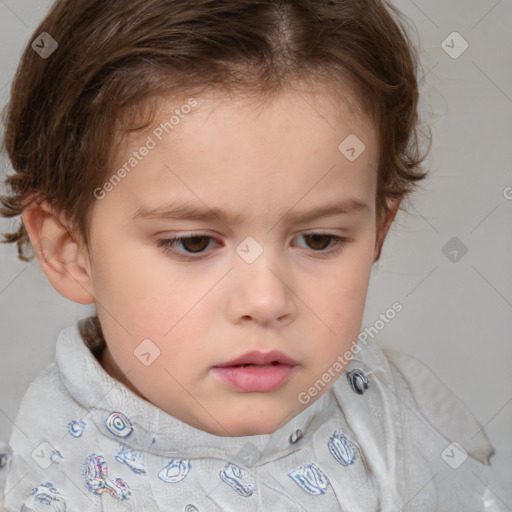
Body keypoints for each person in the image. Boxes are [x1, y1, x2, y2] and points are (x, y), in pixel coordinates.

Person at [0, 0, 503, 510]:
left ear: (379, 232)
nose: (266, 301)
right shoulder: (47, 488)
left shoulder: (406, 418)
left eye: (319, 239)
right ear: (69, 250)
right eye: (194, 243)